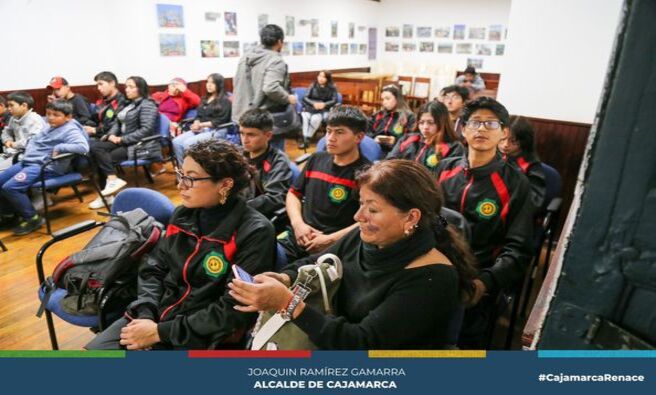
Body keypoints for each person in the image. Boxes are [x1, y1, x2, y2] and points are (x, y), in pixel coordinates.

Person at [229, 160, 478, 350]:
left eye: (372, 209)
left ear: (411, 217)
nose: (358, 216)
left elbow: (361, 344)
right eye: (361, 204)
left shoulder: (432, 277)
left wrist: (287, 303)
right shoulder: (365, 239)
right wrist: (284, 279)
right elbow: (312, 262)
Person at [86, 140, 276, 350]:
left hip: (200, 335)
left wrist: (159, 332)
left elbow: (231, 312)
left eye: (191, 179)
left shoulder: (254, 232)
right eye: (181, 174)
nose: (180, 185)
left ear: (225, 185)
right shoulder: (183, 215)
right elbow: (153, 267)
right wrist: (147, 313)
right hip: (156, 316)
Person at [434, 97, 534, 348]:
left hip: (478, 277)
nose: (481, 129)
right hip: (431, 268)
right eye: (475, 123)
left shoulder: (515, 183)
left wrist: (484, 282)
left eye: (491, 124)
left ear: (504, 133)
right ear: (462, 128)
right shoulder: (444, 169)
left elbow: (518, 249)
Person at [278, 106, 371, 263]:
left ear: (359, 137)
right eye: (328, 131)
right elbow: (294, 194)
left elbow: (368, 219)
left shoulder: (367, 174)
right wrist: (298, 224)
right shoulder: (316, 159)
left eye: (339, 132)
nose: (330, 138)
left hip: (337, 245)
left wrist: (330, 239)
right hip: (299, 234)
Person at [0, 100, 88, 235]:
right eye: (48, 114)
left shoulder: (70, 129)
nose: (51, 117)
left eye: (56, 115)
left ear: (68, 117)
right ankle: (9, 214)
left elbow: (83, 147)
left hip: (45, 166)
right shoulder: (49, 125)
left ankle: (33, 218)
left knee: (11, 187)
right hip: (29, 161)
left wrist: (60, 147)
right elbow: (35, 140)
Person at [88, 76, 159, 209]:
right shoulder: (128, 103)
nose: (127, 90)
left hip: (138, 144)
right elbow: (117, 122)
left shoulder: (148, 104)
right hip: (122, 140)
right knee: (95, 147)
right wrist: (112, 134)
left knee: (102, 158)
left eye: (131, 87)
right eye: (126, 86)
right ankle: (112, 182)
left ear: (141, 88)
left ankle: (106, 195)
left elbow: (146, 130)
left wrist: (122, 139)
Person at [233, 24, 297, 151]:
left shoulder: (246, 57)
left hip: (242, 115)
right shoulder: (275, 60)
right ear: (280, 42)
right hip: (261, 120)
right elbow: (271, 88)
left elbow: (236, 82)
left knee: (249, 160)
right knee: (271, 160)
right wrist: (287, 98)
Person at [239, 109, 293, 218]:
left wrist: (237, 208)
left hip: (256, 216)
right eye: (241, 133)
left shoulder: (278, 161)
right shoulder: (238, 155)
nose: (245, 140)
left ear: (268, 135)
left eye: (251, 135)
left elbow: (274, 197)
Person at [387, 101, 465, 174]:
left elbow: (448, 178)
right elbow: (390, 161)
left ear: (442, 123)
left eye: (430, 123)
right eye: (421, 122)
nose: (425, 127)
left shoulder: (454, 147)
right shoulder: (408, 139)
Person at [171, 73, 232, 165]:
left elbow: (221, 121)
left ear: (219, 85)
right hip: (202, 129)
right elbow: (198, 115)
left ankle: (196, 170)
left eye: (213, 83)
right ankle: (184, 169)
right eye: (208, 82)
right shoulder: (205, 98)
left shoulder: (225, 101)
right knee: (176, 142)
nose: (209, 85)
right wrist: (196, 123)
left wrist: (201, 125)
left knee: (188, 143)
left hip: (217, 130)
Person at [499, 116, 547, 210]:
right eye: (502, 139)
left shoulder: (532, 166)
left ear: (524, 141)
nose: (505, 145)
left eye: (513, 141)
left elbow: (534, 202)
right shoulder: (496, 155)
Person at [1, 91, 47, 165]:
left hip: (31, 157)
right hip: (15, 153)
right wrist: (7, 140)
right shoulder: (13, 118)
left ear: (24, 106)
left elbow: (31, 141)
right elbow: (6, 131)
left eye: (11, 105)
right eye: (8, 105)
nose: (9, 108)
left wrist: (13, 144)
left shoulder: (35, 120)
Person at [367, 85, 415, 153]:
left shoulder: (409, 116)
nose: (384, 102)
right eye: (382, 99)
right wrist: (373, 138)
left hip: (396, 151)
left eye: (388, 98)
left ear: (397, 99)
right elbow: (366, 129)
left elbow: (411, 138)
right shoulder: (378, 114)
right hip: (375, 147)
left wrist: (395, 140)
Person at [299, 71, 339, 149]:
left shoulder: (332, 87)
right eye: (319, 76)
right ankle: (305, 139)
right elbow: (305, 97)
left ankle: (307, 139)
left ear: (327, 78)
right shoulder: (313, 85)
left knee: (315, 119)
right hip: (310, 107)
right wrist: (313, 104)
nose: (321, 78)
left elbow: (334, 100)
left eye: (323, 77)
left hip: (322, 109)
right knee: (305, 118)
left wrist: (324, 104)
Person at [84, 71, 127, 140]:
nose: (98, 88)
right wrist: (87, 126)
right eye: (97, 85)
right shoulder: (102, 101)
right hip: (98, 133)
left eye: (101, 84)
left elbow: (116, 125)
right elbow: (94, 118)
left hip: (110, 136)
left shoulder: (122, 102)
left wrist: (95, 130)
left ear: (112, 83)